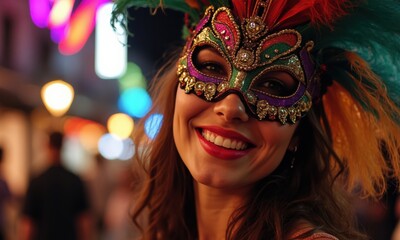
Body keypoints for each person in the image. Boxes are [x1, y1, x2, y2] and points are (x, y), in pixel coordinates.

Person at [112, 0, 400, 239]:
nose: (231, 107)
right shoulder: (164, 230)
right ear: (177, 88)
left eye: (273, 86)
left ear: (298, 132)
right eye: (211, 66)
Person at [20, 132, 92, 240]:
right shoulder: (74, 180)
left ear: (47, 146)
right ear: (63, 146)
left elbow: (28, 222)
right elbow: (83, 220)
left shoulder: (37, 180)